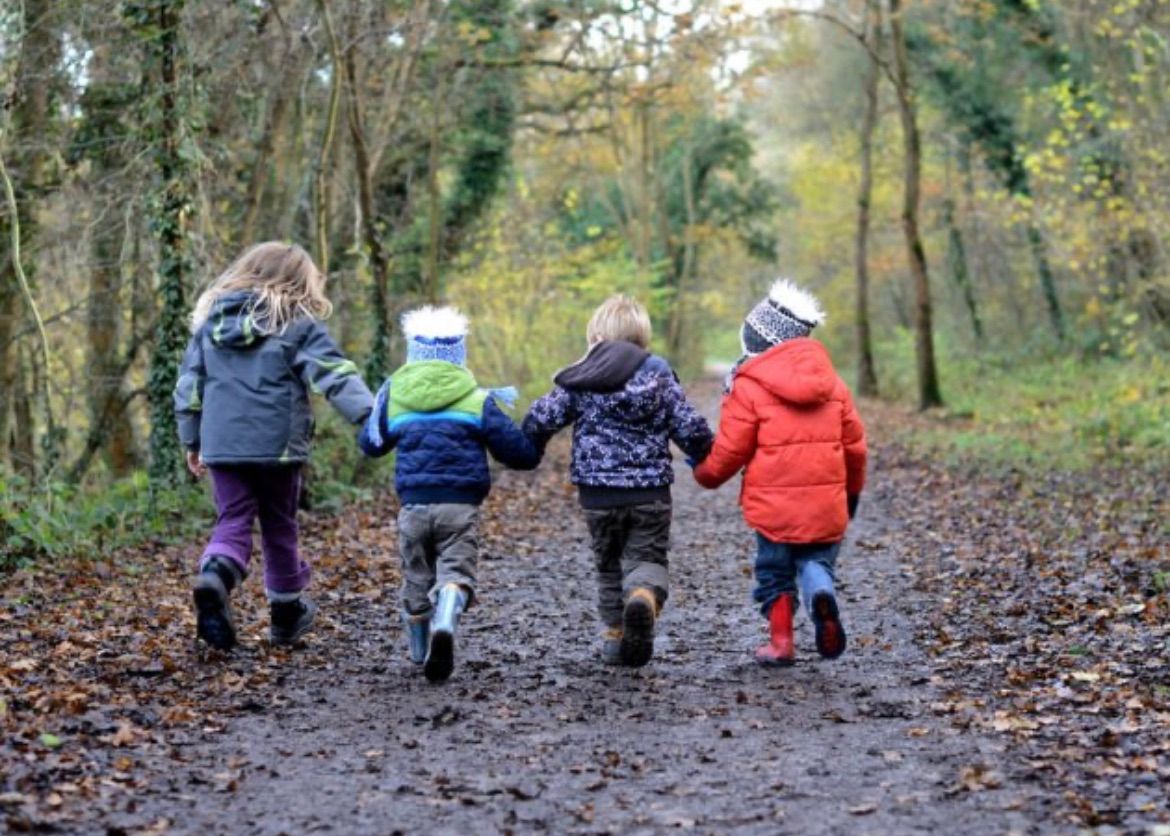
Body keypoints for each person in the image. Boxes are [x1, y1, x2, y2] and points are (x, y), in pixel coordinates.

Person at [174, 242, 374, 650]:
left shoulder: (210, 324)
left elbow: (188, 389)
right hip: (278, 447)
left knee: (232, 519)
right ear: (299, 282)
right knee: (280, 525)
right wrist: (371, 419)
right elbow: (334, 374)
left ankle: (215, 576)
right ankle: (285, 615)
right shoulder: (298, 325)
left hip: (222, 444)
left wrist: (191, 439)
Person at [523, 295, 713, 667]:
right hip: (650, 493)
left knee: (609, 564)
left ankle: (614, 638)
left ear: (595, 335)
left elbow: (542, 416)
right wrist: (705, 451)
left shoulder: (583, 374)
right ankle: (642, 595)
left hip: (598, 496)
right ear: (642, 337)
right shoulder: (658, 371)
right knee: (646, 556)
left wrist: (528, 442)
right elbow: (689, 426)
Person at [358, 305, 539, 683]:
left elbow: (371, 445)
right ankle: (448, 613)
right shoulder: (476, 399)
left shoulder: (396, 398)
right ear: (459, 356)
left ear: (413, 355)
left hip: (414, 506)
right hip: (460, 507)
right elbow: (518, 453)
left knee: (415, 576)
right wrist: (537, 434)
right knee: (456, 571)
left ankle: (420, 648)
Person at [693, 279, 866, 666]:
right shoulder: (833, 385)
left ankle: (781, 643)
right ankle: (821, 591)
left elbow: (731, 449)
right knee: (816, 561)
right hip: (825, 505)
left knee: (774, 573)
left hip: (772, 510)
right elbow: (856, 446)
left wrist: (705, 474)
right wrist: (851, 493)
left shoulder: (748, 386)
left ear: (757, 338)